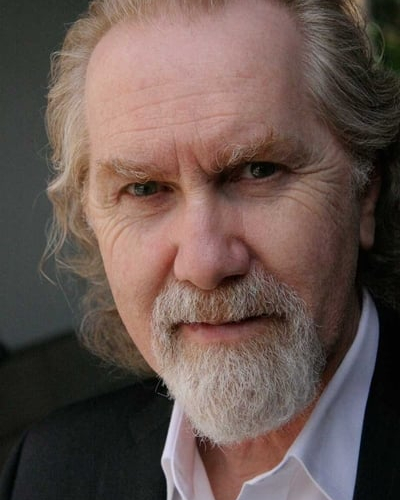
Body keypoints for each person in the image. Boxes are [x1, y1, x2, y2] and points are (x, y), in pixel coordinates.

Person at [1, 0, 399, 498]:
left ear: (365, 193)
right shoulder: (48, 472)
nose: (205, 264)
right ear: (92, 219)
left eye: (258, 170)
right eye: (145, 188)